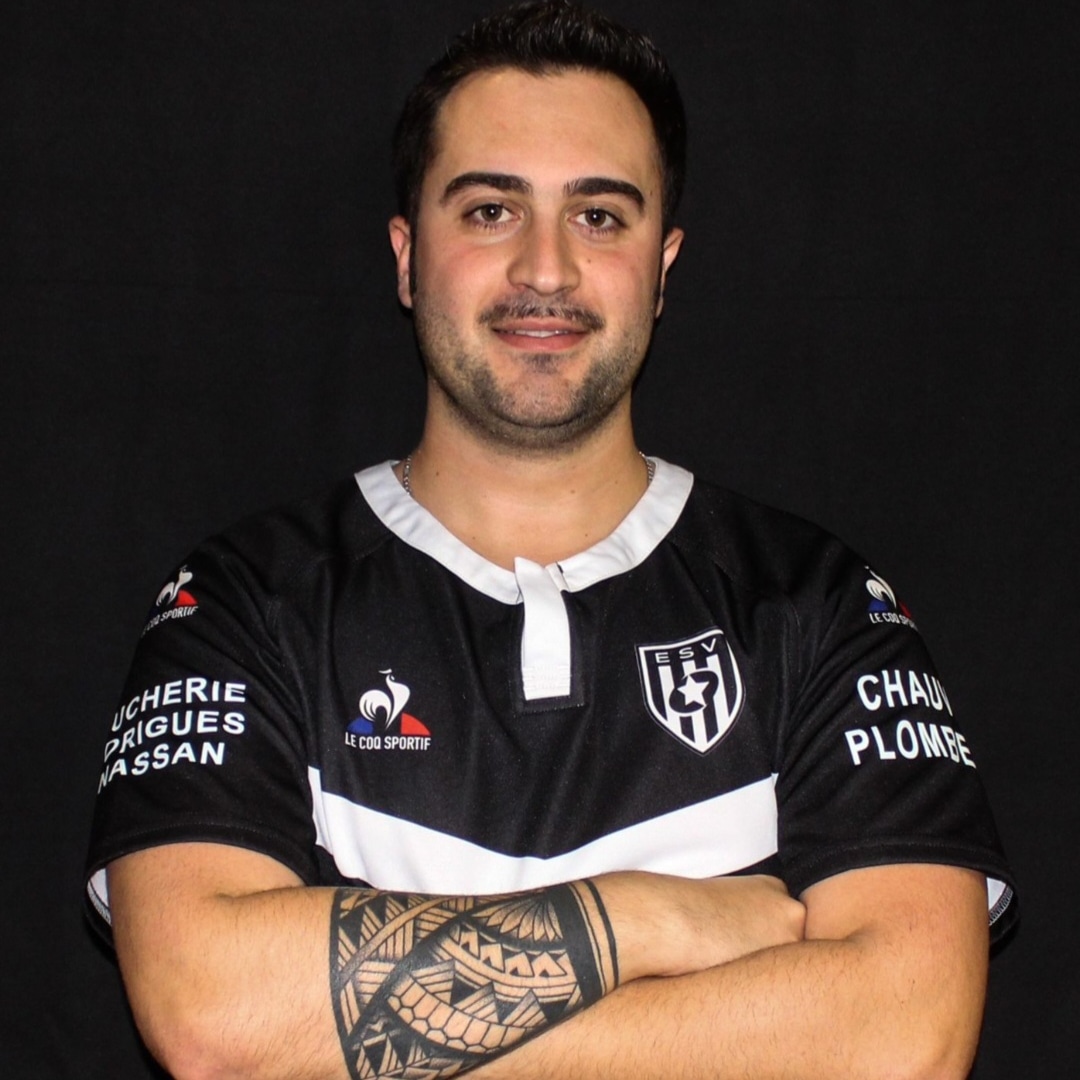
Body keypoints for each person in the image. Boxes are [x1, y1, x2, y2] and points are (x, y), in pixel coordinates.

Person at [85, 2, 1015, 1078]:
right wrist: (646, 921)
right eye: (490, 211)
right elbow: (210, 1012)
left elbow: (909, 1038)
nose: (545, 269)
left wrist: (358, 1031)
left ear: (663, 268)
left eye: (600, 217)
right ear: (407, 258)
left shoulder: (818, 604)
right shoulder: (244, 601)